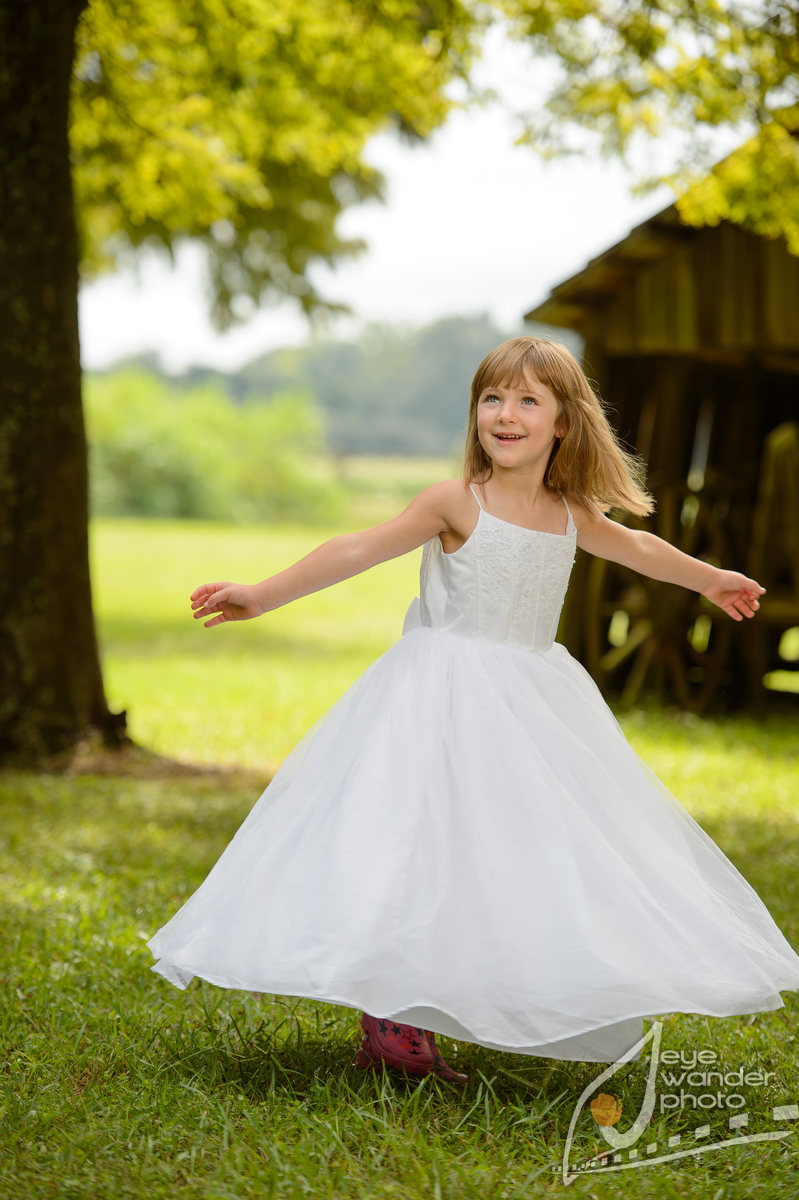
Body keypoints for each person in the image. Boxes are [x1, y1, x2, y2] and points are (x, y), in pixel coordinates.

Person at [147, 336, 799, 1086]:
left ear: (562, 422)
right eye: (493, 398)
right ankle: (393, 1017)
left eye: (527, 401)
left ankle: (478, 989)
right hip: (440, 693)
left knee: (507, 852)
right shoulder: (456, 500)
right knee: (415, 841)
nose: (506, 414)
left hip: (531, 702)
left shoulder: (567, 512)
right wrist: (263, 593)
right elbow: (357, 547)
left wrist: (707, 578)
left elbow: (639, 546)